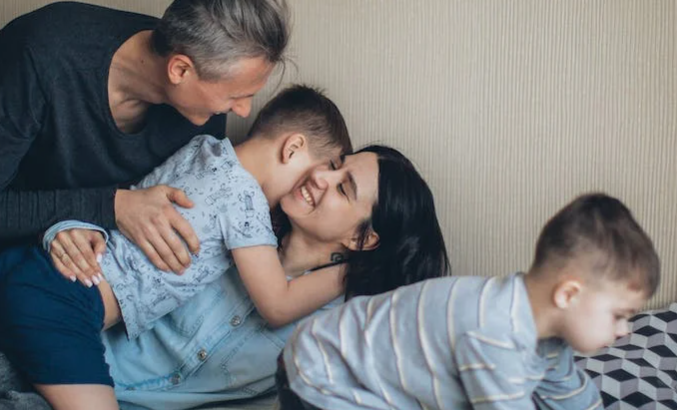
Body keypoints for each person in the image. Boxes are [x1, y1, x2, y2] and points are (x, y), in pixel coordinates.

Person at [0, 143, 450, 410]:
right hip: (47, 347)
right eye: (335, 165)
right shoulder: (229, 212)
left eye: (343, 187)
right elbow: (124, 220)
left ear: (362, 239)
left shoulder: (331, 329)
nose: (320, 176)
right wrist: (68, 231)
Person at [277, 193, 660, 410]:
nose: (625, 331)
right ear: (569, 294)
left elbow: (569, 394)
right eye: (619, 315)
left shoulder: (548, 339)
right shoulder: (494, 333)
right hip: (326, 371)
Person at [0, 0, 289, 275]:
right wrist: (108, 208)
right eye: (237, 96)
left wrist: (79, 220)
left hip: (82, 264)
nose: (244, 111)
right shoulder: (40, 55)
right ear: (180, 70)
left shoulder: (202, 115)